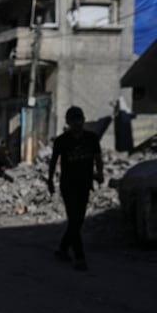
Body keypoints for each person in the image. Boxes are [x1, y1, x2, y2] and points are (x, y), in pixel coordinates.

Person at [47, 106, 104, 271]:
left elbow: (98, 158)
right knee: (73, 219)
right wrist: (50, 181)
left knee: (78, 221)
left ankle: (63, 248)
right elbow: (53, 161)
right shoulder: (62, 140)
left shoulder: (92, 138)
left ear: (83, 120)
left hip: (85, 184)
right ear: (68, 122)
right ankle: (80, 257)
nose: (77, 123)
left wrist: (100, 173)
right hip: (68, 185)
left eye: (79, 119)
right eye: (73, 120)